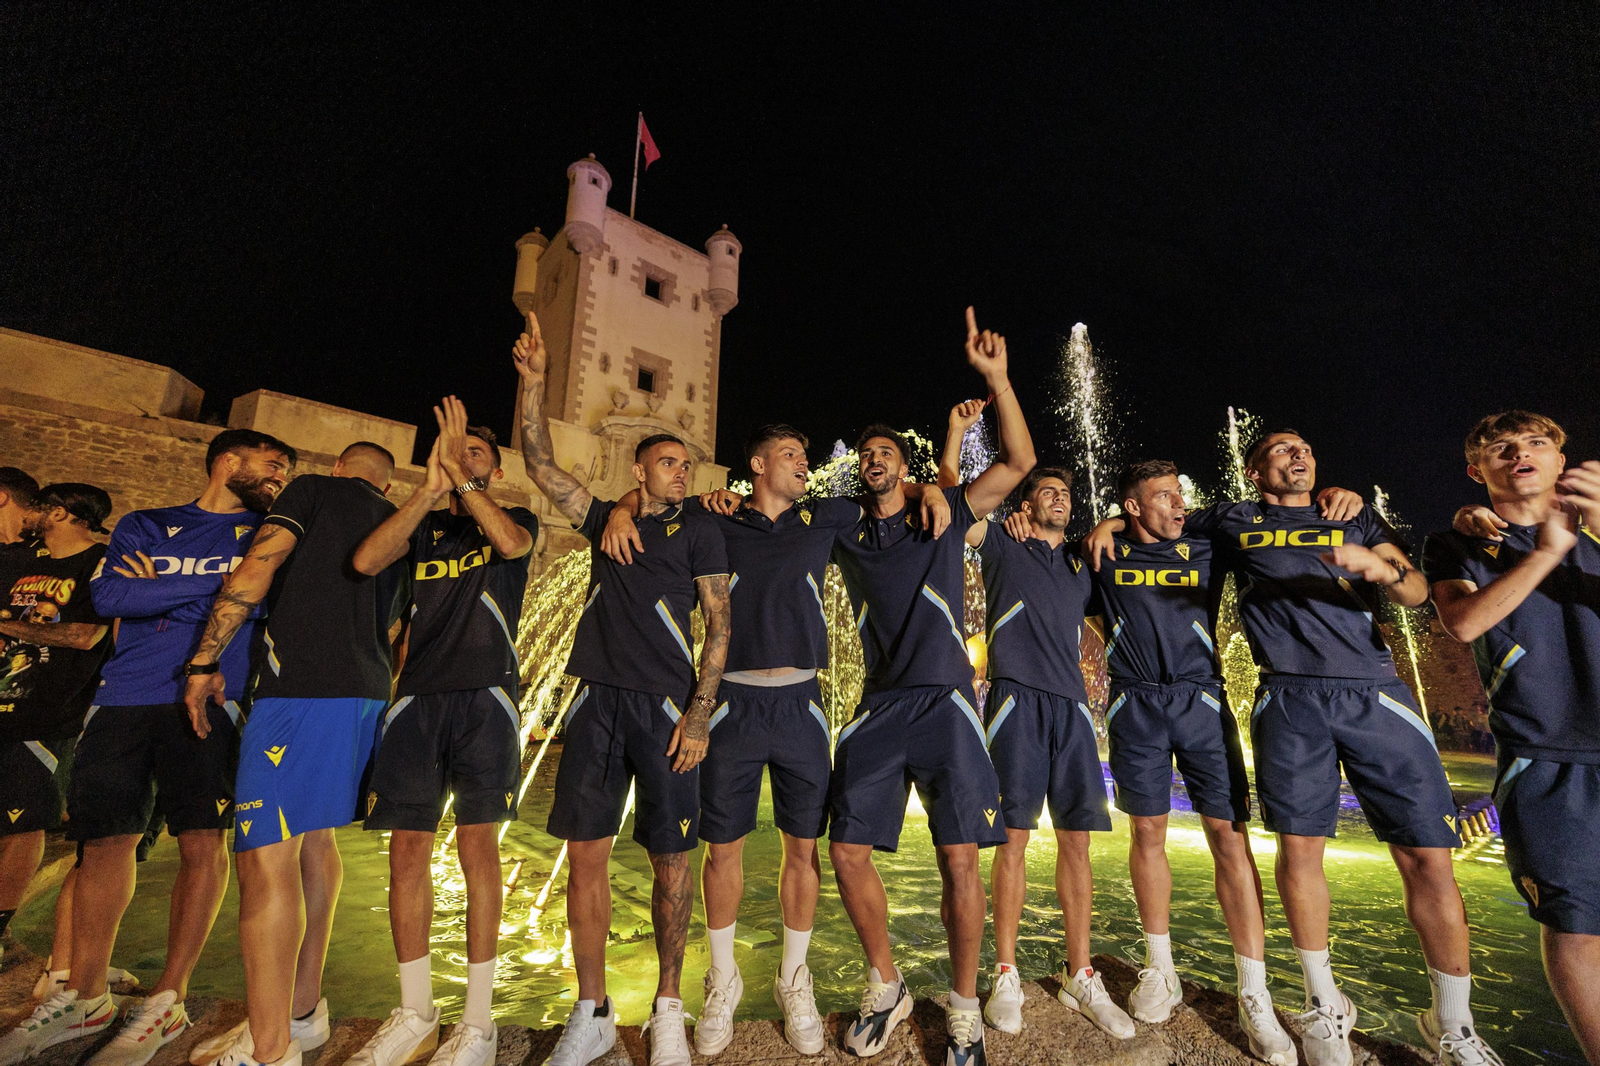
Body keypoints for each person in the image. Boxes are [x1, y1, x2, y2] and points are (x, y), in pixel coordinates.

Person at [1085, 429, 1500, 1066]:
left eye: (1303, 446)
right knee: (1298, 852)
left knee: (1429, 857)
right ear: (1253, 471)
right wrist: (1113, 516)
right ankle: (1321, 1004)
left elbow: (1416, 592)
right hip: (1288, 700)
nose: (1297, 453)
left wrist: (1379, 567)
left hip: (1373, 693)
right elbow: (1159, 514)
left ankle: (1455, 1026)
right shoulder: (1229, 520)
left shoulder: (1353, 512)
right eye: (1279, 448)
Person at [600, 427, 949, 1057]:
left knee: (803, 847)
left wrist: (928, 485)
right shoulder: (716, 519)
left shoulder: (825, 518)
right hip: (729, 700)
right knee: (722, 847)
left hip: (801, 704)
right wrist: (625, 505)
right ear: (758, 465)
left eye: (806, 457)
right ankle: (723, 980)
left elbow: (887, 493)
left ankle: (794, 979)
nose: (805, 465)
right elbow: (647, 499)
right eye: (792, 456)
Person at [512, 310, 731, 1066]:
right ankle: (593, 1007)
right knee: (586, 855)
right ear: (639, 471)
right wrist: (534, 383)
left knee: (673, 861)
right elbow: (541, 468)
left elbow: (720, 626)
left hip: (669, 708)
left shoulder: (703, 530)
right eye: (666, 462)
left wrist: (700, 715)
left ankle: (669, 1005)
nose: (680, 470)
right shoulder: (607, 516)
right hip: (596, 699)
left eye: (685, 463)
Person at [40, 430, 294, 1066]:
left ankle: (167, 999)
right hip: (122, 695)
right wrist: (224, 587)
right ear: (227, 462)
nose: (278, 479)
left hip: (212, 698)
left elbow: (258, 600)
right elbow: (111, 596)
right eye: (271, 465)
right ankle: (88, 994)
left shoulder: (267, 536)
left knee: (202, 842)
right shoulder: (147, 523)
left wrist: (189, 585)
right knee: (103, 842)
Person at [827, 308, 1032, 1066]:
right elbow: (768, 515)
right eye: (868, 453)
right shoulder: (844, 528)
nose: (875, 458)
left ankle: (965, 1011)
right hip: (880, 706)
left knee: (960, 862)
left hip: (945, 701)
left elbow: (1015, 462)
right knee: (845, 849)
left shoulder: (943, 518)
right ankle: (888, 986)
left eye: (888, 451)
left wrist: (998, 380)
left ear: (904, 468)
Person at [182, 442, 411, 1066]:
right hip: (362, 693)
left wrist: (203, 661)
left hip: (303, 692)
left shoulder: (312, 491)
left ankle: (268, 1050)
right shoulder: (400, 528)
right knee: (311, 838)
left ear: (339, 469)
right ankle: (301, 1012)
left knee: (261, 860)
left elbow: (258, 566)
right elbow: (403, 632)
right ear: (385, 487)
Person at [1064, 459, 1292, 1061]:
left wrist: (1113, 517)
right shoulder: (1103, 559)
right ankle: (1159, 968)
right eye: (1164, 496)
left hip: (1201, 699)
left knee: (1228, 835)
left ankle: (1255, 992)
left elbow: (1260, 516)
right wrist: (1107, 525)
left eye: (1180, 493)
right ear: (1136, 506)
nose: (1179, 504)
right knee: (1147, 833)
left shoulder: (1205, 546)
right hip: (1133, 706)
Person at [935, 407, 1136, 1042]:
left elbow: (1147, 527)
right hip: (1016, 704)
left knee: (1077, 843)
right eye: (1044, 491)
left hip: (1074, 710)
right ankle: (1006, 972)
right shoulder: (1001, 542)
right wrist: (958, 437)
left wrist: (1108, 519)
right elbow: (951, 503)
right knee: (1014, 840)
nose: (1056, 499)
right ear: (1026, 502)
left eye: (1066, 494)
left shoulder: (1084, 563)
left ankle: (1081, 973)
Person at [347, 399, 536, 1066]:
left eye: (476, 453)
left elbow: (511, 545)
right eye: (455, 451)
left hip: (486, 701)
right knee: (405, 851)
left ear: (496, 468)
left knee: (478, 850)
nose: (462, 460)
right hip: (417, 701)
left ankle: (478, 1024)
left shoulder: (515, 522)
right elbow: (367, 561)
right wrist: (430, 488)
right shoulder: (423, 534)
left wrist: (464, 479)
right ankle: (416, 1010)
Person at [1424, 410, 1599, 1063]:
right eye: (1500, 448)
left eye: (1535, 443)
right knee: (1577, 929)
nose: (1519, 453)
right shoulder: (1459, 545)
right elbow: (1464, 623)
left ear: (1561, 459)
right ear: (1477, 471)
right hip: (1547, 758)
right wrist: (1549, 549)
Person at [0, 484, 115, 1065]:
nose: (31, 516)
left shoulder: (99, 563)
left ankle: (5, 934)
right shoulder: (23, 561)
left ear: (64, 513)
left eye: (42, 506)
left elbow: (86, 634)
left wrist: (16, 629)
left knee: (27, 821)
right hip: (4, 697)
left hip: (52, 713)